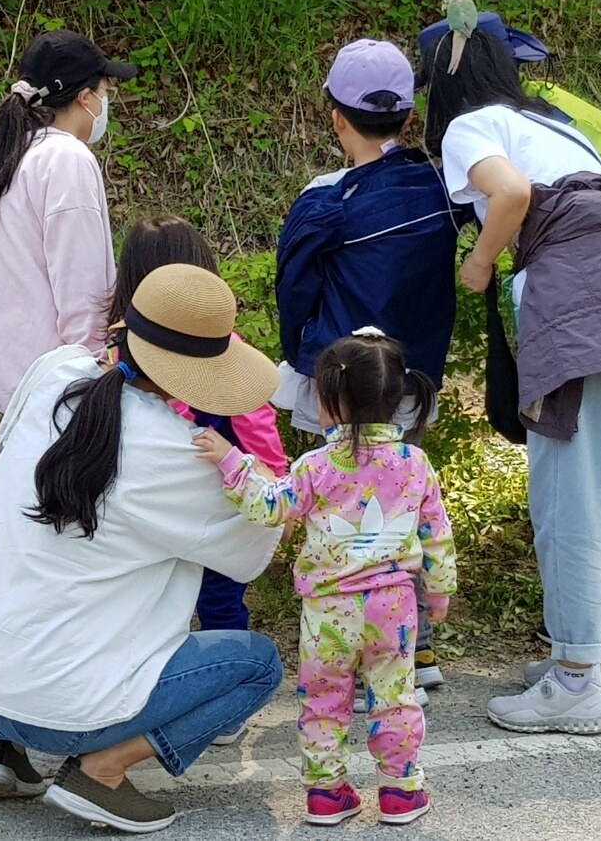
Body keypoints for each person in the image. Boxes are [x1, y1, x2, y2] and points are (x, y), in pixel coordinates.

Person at [419, 11, 601, 735]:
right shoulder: (556, 124)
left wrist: (479, 262)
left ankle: (577, 682)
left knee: (567, 501)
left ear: (443, 85)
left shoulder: (470, 127)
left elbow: (512, 195)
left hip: (575, 313)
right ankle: (582, 658)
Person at [0, 264, 285, 834]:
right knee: (257, 664)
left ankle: (4, 752)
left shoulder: (53, 372)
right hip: (59, 713)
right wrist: (261, 477)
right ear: (201, 375)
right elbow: (259, 544)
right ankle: (101, 771)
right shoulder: (179, 454)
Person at [196, 328, 456, 827]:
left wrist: (232, 462)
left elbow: (270, 507)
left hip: (327, 611)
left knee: (323, 700)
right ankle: (400, 792)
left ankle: (326, 794)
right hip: (393, 607)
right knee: (394, 697)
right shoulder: (414, 463)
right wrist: (439, 590)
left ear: (331, 404)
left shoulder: (315, 466)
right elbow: (436, 534)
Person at [273, 39, 464, 698]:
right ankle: (416, 646)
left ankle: (353, 656)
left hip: (339, 381)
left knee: (343, 514)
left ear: (335, 117)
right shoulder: (441, 189)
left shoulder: (324, 198)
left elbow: (295, 290)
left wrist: (300, 354)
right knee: (402, 505)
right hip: (409, 378)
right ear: (407, 117)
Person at [106, 214, 289, 648]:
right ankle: (224, 663)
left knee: (179, 599)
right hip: (213, 505)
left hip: (159, 505)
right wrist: (275, 481)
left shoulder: (116, 355)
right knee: (213, 601)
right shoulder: (222, 352)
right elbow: (258, 427)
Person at [0, 30, 135, 413]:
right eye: (105, 92)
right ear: (85, 97)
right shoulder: (66, 158)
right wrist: (93, 364)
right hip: (61, 380)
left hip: (15, 373)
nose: (106, 102)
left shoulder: (11, 154)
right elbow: (80, 279)